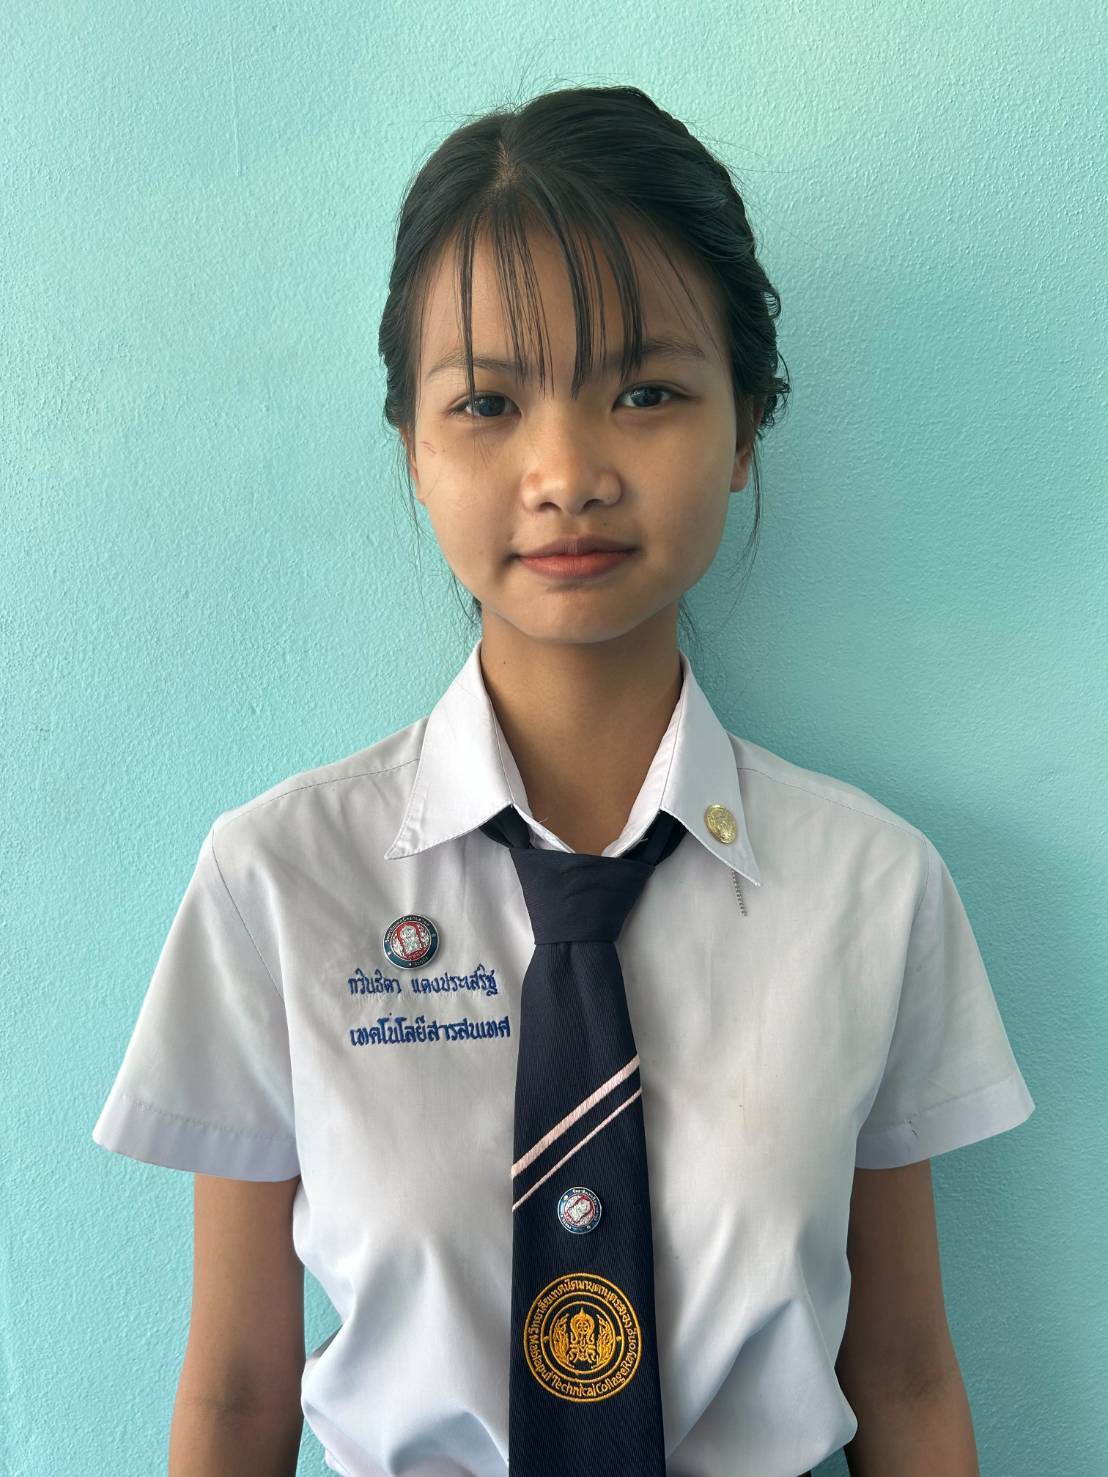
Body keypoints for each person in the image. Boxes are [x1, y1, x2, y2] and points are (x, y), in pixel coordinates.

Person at [92, 84, 1034, 1477]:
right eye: (487, 402)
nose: (567, 473)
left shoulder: (872, 890)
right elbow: (236, 1397)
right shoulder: (276, 884)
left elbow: (902, 1375)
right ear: (413, 447)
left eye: (646, 393)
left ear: (746, 426)